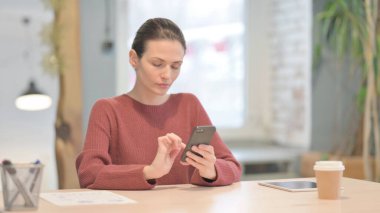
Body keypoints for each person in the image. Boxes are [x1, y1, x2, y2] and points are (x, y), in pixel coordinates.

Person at [76, 18, 242, 190]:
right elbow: (89, 174)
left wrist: (211, 171)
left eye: (175, 66)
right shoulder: (107, 110)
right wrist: (149, 172)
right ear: (133, 58)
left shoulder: (189, 105)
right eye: (157, 64)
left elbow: (233, 166)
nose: (167, 75)